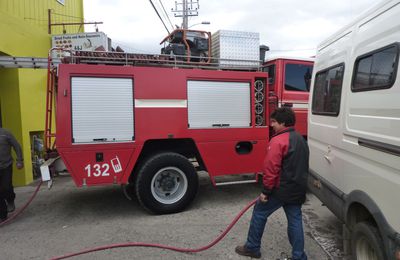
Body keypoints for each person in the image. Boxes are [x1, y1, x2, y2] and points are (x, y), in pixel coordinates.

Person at [235, 107, 309, 260]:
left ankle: (252, 247)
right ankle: (299, 256)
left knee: (259, 212)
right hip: (297, 189)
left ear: (283, 123)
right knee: (295, 220)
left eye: (274, 122)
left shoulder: (278, 141)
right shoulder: (301, 139)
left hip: (280, 190)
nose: (272, 125)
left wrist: (266, 191)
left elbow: (271, 168)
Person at [0, 127, 24, 222]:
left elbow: (16, 146)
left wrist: (19, 160)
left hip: (6, 165)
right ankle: (2, 215)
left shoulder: (5, 133)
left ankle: (10, 198)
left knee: (6, 187)